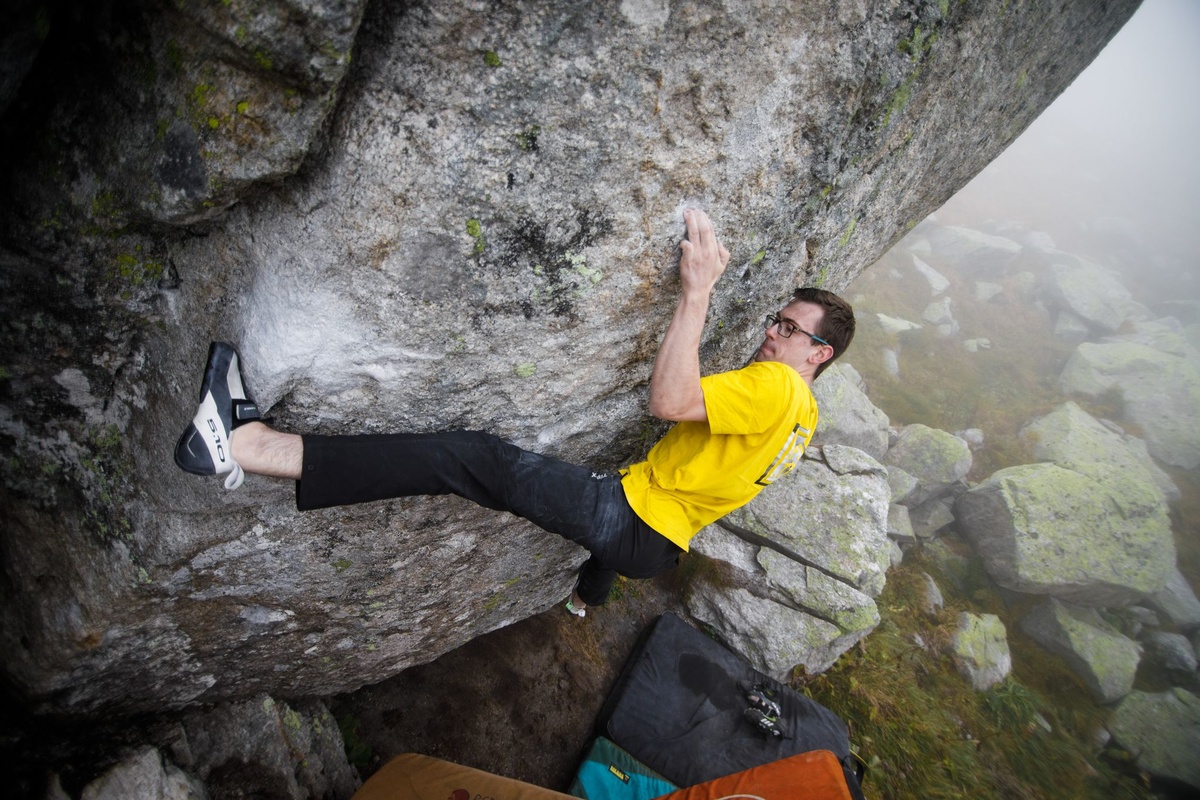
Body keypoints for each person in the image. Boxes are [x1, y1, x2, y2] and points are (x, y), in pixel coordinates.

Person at [174, 210, 855, 616]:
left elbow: (671, 401)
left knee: (469, 458)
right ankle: (586, 602)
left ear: (818, 352)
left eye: (788, 328)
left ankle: (245, 445)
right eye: (776, 321)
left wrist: (697, 291)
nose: (772, 334)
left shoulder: (778, 385)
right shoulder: (804, 421)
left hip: (634, 519)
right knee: (604, 534)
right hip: (658, 544)